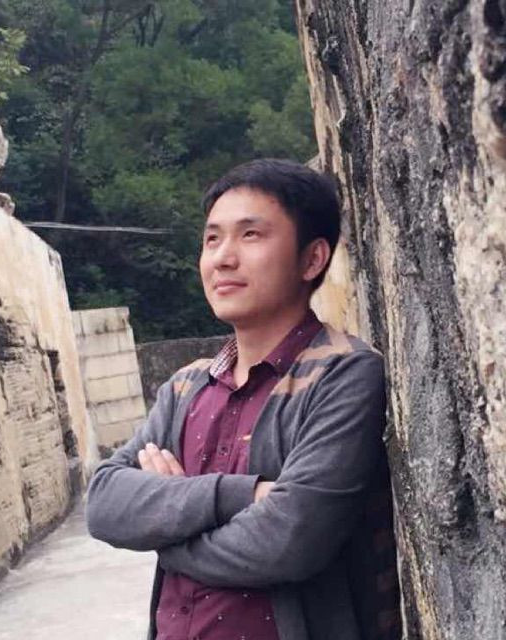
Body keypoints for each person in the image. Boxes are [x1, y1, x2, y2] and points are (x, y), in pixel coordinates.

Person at [86, 158, 401, 640]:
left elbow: (289, 542)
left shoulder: (343, 373)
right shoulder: (186, 387)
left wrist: (167, 532)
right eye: (212, 239)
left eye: (250, 235)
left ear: (312, 259)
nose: (223, 258)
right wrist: (240, 495)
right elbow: (104, 502)